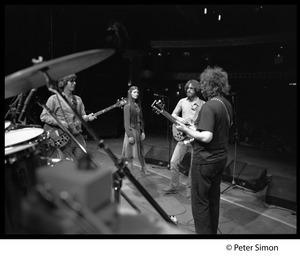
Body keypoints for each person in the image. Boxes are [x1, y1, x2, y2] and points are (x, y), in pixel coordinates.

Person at [176, 66, 233, 234]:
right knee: (213, 200)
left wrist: (186, 130)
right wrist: (195, 128)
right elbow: (220, 129)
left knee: (200, 203)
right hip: (220, 159)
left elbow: (207, 136)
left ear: (208, 85)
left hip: (205, 162)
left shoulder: (209, 106)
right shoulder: (226, 104)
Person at [163, 79, 205, 198]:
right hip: (183, 138)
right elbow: (173, 115)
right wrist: (182, 120)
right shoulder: (182, 101)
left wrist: (196, 126)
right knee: (173, 162)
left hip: (195, 139)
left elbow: (205, 122)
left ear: (196, 90)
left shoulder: (203, 104)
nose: (189, 90)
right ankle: (174, 186)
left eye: (192, 88)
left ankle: (190, 188)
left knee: (193, 166)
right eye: (187, 88)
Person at [40, 73, 96, 161]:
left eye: (75, 81)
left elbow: (82, 115)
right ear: (63, 83)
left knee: (83, 165)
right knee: (69, 167)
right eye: (71, 81)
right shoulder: (54, 99)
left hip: (77, 137)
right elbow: (43, 116)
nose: (75, 83)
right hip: (63, 139)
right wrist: (60, 122)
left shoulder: (78, 99)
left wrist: (88, 117)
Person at [121, 86, 150, 177]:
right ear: (130, 93)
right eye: (134, 92)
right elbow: (126, 123)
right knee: (129, 154)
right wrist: (130, 135)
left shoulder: (137, 105)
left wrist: (143, 131)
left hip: (138, 130)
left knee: (141, 152)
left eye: (137, 92)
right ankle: (131, 172)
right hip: (131, 131)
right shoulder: (127, 106)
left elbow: (141, 120)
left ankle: (143, 168)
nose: (136, 94)